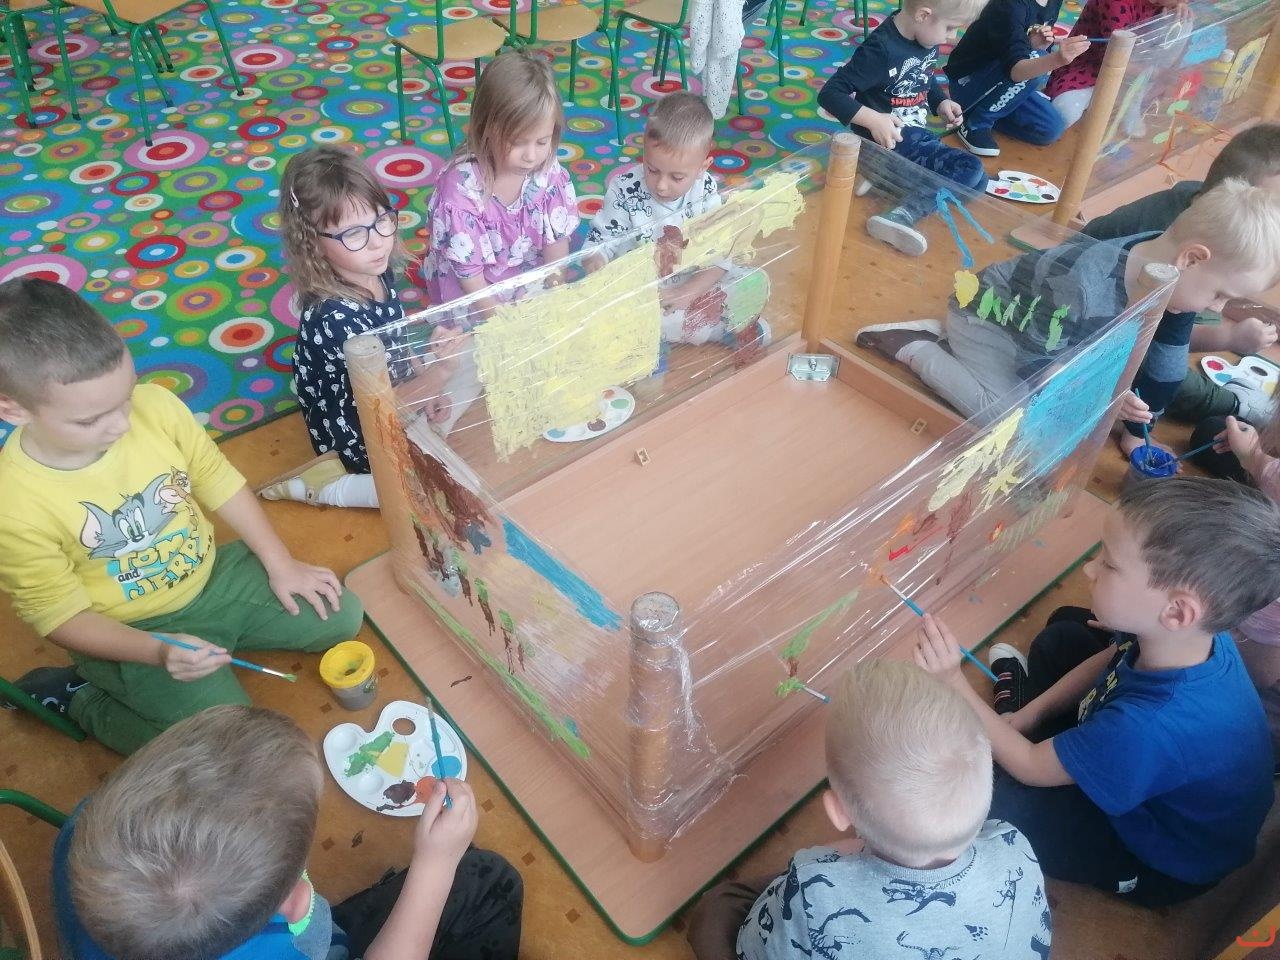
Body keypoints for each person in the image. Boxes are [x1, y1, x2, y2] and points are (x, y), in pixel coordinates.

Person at [0, 278, 363, 755]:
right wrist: (159, 651)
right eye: (90, 420)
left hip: (213, 578)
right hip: (133, 632)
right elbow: (60, 617)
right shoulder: (14, 504)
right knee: (223, 748)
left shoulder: (157, 408)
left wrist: (281, 563)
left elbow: (218, 479)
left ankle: (215, 649)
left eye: (127, 395)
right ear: (13, 409)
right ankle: (84, 698)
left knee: (342, 615)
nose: (122, 424)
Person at [916, 477, 1279, 907]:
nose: (1089, 569)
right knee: (1064, 634)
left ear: (1177, 612)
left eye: (1109, 564)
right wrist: (1027, 717)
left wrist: (951, 681)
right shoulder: (1196, 639)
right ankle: (1028, 730)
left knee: (997, 801)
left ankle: (1021, 726)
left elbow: (1031, 767)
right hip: (1137, 755)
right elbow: (1113, 659)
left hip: (1154, 856)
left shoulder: (1149, 727)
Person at [56, 704, 523, 960]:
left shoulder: (86, 831)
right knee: (489, 879)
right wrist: (435, 866)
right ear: (300, 903)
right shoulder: (295, 944)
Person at [856, 178, 1280, 460]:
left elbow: (1165, 369)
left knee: (1066, 426)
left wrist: (1135, 432)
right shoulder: (1085, 286)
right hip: (988, 322)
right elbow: (1039, 369)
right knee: (1019, 430)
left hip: (1049, 339)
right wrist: (1104, 401)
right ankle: (917, 346)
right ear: (1191, 259)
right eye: (1221, 295)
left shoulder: (1172, 276)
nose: (1217, 307)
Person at [685, 659, 1051, 960]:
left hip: (810, 900)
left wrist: (818, 866)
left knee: (716, 909)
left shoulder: (814, 890)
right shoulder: (1014, 845)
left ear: (838, 812)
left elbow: (753, 947)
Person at [257, 145, 454, 509]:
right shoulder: (335, 319)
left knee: (469, 395)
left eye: (382, 220)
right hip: (358, 436)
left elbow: (397, 338)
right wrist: (438, 375)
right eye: (353, 234)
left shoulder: (374, 269)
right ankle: (325, 486)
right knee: (418, 494)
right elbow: (380, 411)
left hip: (391, 400)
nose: (378, 241)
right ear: (313, 243)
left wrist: (428, 385)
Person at [1083, 124, 1280, 427]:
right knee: (1169, 380)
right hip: (1088, 326)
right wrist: (1228, 337)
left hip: (1125, 320)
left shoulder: (1204, 216)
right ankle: (1237, 403)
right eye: (1271, 207)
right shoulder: (1171, 248)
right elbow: (1154, 338)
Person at [584, 92, 771, 353]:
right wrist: (596, 261)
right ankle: (717, 327)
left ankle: (703, 323)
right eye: (652, 169)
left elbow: (721, 254)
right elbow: (601, 242)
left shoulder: (706, 189)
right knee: (630, 316)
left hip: (692, 281)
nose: (661, 185)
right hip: (644, 292)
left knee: (750, 278)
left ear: (703, 167)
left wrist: (689, 291)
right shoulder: (623, 189)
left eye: (677, 177)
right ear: (644, 152)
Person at [817, 0, 988, 256]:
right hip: (889, 143)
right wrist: (874, 119)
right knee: (970, 168)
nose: (952, 37)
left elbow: (924, 76)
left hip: (913, 139)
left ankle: (880, 177)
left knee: (977, 183)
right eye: (950, 28)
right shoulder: (880, 50)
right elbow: (830, 94)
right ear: (923, 15)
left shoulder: (922, 36)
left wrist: (940, 102)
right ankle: (901, 214)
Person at [423, 49, 579, 316]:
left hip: (525, 280)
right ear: (487, 127)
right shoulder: (460, 190)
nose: (531, 156)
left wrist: (553, 291)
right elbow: (469, 275)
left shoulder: (549, 174)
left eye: (542, 141)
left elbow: (556, 244)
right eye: (518, 142)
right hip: (474, 293)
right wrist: (499, 321)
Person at [944, 0, 1091, 157]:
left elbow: (1032, 47)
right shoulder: (1009, 5)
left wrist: (1035, 46)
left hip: (1006, 80)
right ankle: (975, 124)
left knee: (1050, 129)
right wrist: (1057, 59)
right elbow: (1016, 71)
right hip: (968, 83)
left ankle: (981, 111)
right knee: (1039, 59)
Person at [1045, 0, 1183, 128]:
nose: (1186, 1)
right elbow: (1112, 59)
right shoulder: (1117, 4)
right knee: (1063, 114)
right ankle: (1109, 99)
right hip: (1087, 68)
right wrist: (1156, 73)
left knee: (1183, 19)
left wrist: (1178, 6)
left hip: (1130, 70)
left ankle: (1130, 98)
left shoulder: (1163, 5)